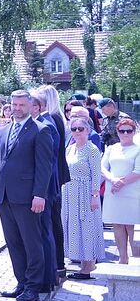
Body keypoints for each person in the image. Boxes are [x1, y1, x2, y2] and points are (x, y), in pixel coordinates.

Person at [0, 90, 55, 301]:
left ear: (30, 106)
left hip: (28, 198)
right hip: (4, 196)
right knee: (13, 243)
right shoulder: (3, 131)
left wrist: (39, 195)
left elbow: (44, 167)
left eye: (21, 105)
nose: (17, 108)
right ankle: (22, 283)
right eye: (14, 104)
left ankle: (33, 287)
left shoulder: (41, 130)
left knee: (31, 243)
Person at [36, 84, 71, 285]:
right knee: (54, 220)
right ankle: (59, 264)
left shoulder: (52, 119)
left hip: (53, 177)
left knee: (53, 222)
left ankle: (58, 265)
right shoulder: (57, 118)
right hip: (57, 175)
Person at [61, 116, 105, 279]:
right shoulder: (70, 148)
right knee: (75, 227)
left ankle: (89, 266)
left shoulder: (92, 149)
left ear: (88, 130)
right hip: (69, 192)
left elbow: (96, 174)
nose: (77, 132)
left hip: (85, 192)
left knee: (87, 226)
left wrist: (94, 195)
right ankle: (82, 264)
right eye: (74, 129)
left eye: (81, 129)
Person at [100, 118, 140, 263]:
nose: (125, 133)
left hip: (131, 192)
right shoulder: (112, 148)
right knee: (117, 224)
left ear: (134, 132)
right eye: (122, 131)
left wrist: (121, 182)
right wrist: (113, 180)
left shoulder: (138, 149)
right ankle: (123, 257)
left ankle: (135, 256)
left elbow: (138, 171)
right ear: (117, 132)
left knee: (130, 224)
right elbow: (102, 167)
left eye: (129, 131)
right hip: (114, 191)